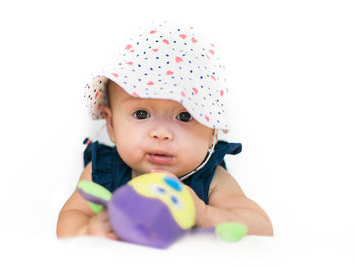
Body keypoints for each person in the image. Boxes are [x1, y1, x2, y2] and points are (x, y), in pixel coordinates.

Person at [57, 22, 273, 240]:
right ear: (111, 125)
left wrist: (203, 213)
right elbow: (70, 217)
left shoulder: (210, 179)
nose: (161, 133)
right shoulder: (103, 171)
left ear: (212, 134)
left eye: (185, 116)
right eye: (141, 114)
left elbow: (261, 226)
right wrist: (88, 230)